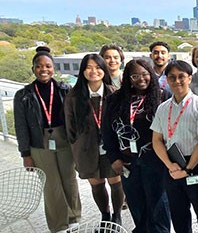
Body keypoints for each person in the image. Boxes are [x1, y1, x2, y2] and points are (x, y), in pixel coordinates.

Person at [14, 46, 82, 233]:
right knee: (51, 184)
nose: (44, 70)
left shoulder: (64, 89)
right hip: (39, 141)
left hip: (64, 138)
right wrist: (25, 154)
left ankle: (74, 217)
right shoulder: (23, 95)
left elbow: (75, 117)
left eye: (48, 66)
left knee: (69, 179)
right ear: (33, 69)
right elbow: (21, 126)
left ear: (54, 68)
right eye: (39, 66)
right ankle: (59, 224)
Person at [102, 59, 171, 232]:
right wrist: (114, 158)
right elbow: (107, 131)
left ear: (151, 75)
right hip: (127, 163)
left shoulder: (163, 97)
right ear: (128, 78)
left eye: (145, 74)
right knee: (137, 205)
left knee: (159, 206)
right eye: (135, 75)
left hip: (156, 162)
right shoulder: (115, 100)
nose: (141, 79)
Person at [151, 60, 198, 233]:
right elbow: (156, 140)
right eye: (172, 77)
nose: (177, 81)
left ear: (189, 78)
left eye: (181, 77)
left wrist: (187, 169)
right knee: (178, 212)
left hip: (196, 164)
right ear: (167, 79)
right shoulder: (163, 108)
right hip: (171, 164)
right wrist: (170, 165)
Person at [64, 54, 124, 224]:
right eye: (89, 67)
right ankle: (105, 216)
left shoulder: (114, 93)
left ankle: (117, 216)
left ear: (104, 70)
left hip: (111, 147)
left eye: (97, 67)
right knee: (96, 183)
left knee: (115, 181)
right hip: (86, 148)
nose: (93, 71)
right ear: (82, 71)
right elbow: (70, 128)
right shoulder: (73, 97)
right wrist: (78, 145)